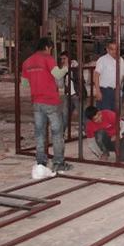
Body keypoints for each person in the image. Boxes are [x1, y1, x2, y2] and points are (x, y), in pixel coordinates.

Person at [21, 37, 72, 172]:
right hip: (50, 101)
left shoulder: (27, 62)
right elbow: (57, 74)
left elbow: (25, 83)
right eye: (51, 49)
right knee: (57, 133)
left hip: (36, 102)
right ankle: (58, 162)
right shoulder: (48, 58)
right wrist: (66, 67)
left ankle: (41, 162)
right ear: (48, 47)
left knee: (39, 133)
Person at [93, 41, 124, 111]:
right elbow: (96, 76)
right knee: (105, 114)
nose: (114, 51)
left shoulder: (121, 60)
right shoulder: (102, 60)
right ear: (107, 50)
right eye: (112, 49)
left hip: (116, 91)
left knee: (115, 114)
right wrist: (98, 91)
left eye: (116, 49)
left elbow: (123, 75)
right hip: (105, 91)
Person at [59, 51, 87, 132]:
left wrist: (69, 70)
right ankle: (61, 133)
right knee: (65, 115)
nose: (62, 61)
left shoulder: (75, 66)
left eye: (64, 58)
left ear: (69, 58)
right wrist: (62, 72)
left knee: (81, 115)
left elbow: (79, 79)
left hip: (77, 94)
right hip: (68, 94)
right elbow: (60, 84)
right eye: (61, 59)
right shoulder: (64, 68)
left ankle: (87, 131)